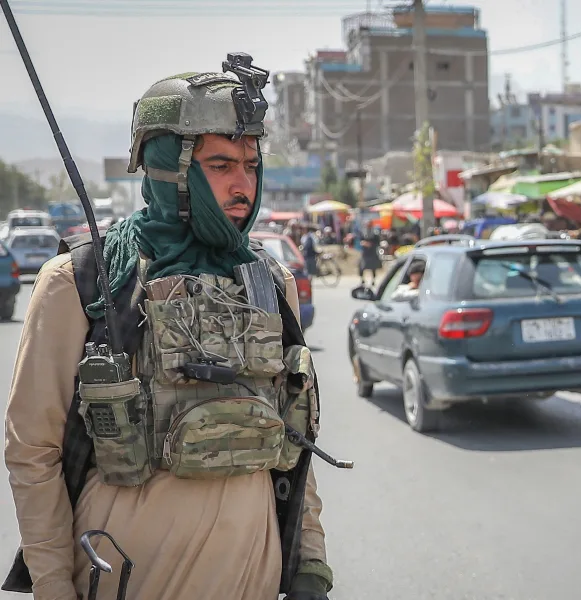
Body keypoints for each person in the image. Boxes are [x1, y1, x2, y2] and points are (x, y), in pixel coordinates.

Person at [4, 59, 335, 600]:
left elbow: (296, 438)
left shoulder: (268, 281)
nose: (243, 185)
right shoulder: (81, 283)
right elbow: (32, 452)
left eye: (251, 166)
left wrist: (311, 563)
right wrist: (53, 585)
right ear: (167, 169)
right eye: (221, 165)